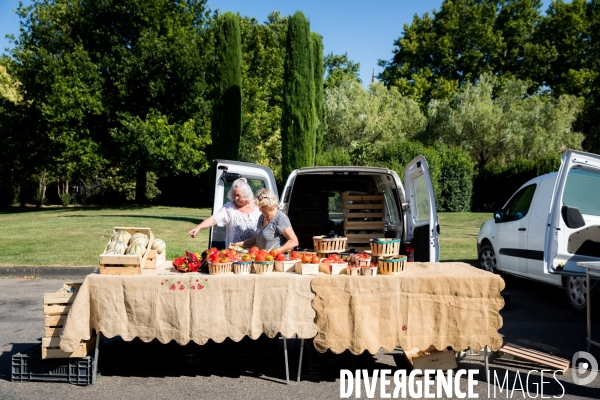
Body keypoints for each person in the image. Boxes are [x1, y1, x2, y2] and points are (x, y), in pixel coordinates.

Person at [188, 178, 261, 248]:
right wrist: (199, 227)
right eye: (234, 195)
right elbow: (214, 219)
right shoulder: (229, 208)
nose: (235, 198)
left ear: (246, 194)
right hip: (234, 254)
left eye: (238, 195)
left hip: (256, 253)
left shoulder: (258, 206)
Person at [235, 188, 299, 252]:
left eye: (263, 207)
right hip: (262, 259)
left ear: (271, 204)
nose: (260, 210)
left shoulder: (281, 218)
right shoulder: (262, 217)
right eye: (259, 207)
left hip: (277, 259)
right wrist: (243, 243)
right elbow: (260, 237)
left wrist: (277, 251)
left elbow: (294, 241)